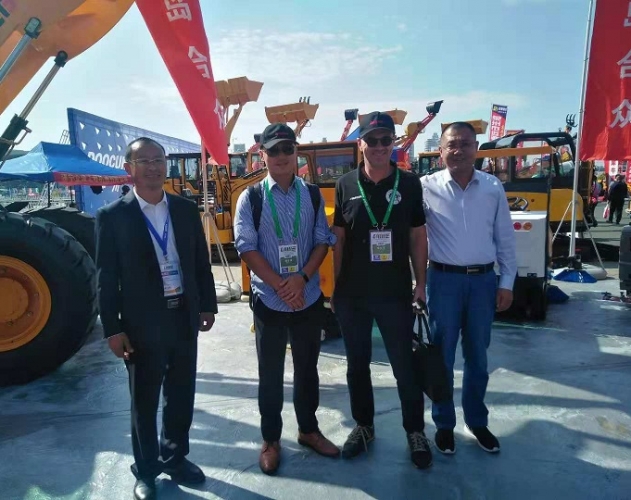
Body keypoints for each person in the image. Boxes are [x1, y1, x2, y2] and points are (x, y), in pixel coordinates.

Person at [95, 137, 218, 500]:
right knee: (144, 401)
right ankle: (147, 470)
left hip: (183, 315)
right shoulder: (113, 216)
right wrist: (112, 328)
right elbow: (106, 277)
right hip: (141, 323)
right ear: (129, 169)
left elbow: (200, 261)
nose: (153, 167)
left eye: (158, 160)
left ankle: (175, 458)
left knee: (181, 394)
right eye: (144, 161)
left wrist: (207, 304)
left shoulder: (184, 209)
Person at [234, 123, 339, 476]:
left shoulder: (312, 195)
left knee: (308, 369)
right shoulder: (251, 198)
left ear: (296, 153)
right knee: (270, 373)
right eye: (274, 150)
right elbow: (246, 247)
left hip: (307, 297)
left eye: (287, 149)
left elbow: (322, 240)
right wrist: (281, 285)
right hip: (270, 300)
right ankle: (270, 439)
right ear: (262, 155)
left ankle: (308, 430)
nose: (281, 156)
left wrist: (301, 279)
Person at [331, 111, 432, 469]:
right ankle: (364, 427)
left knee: (404, 367)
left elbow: (417, 237)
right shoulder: (345, 184)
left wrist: (421, 284)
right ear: (360, 144)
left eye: (385, 140)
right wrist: (336, 290)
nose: (378, 146)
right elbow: (339, 240)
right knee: (357, 366)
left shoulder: (410, 184)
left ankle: (415, 431)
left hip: (394, 293)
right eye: (371, 140)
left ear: (393, 143)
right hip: (353, 295)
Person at [421, 122, 517, 456]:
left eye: (465, 144)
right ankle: (444, 424)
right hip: (443, 281)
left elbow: (505, 238)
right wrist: (415, 283)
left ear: (476, 148)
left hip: (482, 282)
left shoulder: (492, 187)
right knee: (442, 357)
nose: (458, 150)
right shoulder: (425, 187)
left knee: (477, 356)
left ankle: (477, 421)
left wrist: (506, 282)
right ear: (441, 151)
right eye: (451, 145)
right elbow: (413, 239)